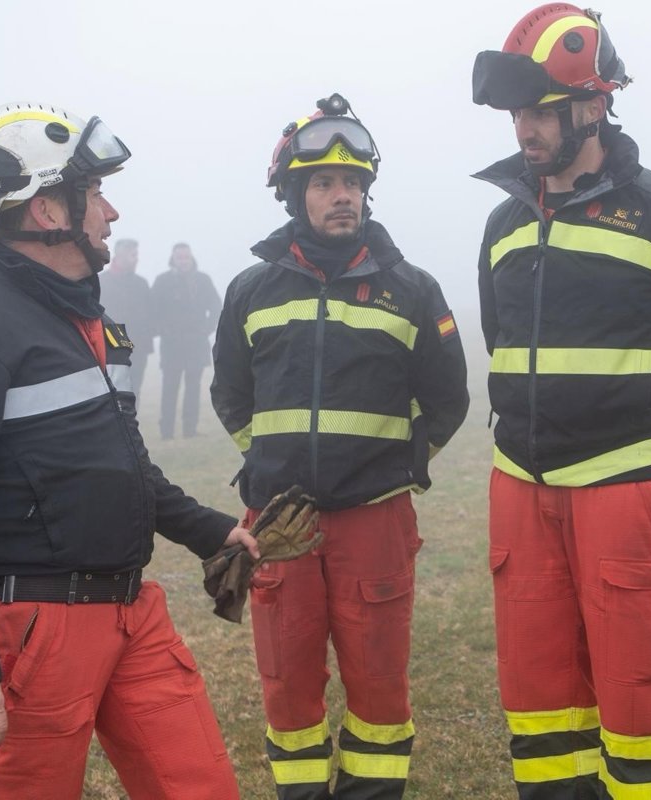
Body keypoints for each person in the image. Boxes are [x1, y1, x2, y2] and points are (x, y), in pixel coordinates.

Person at [0, 102, 261, 800]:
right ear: (46, 209)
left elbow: (125, 465)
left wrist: (210, 530)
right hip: (34, 629)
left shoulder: (93, 321)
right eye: (94, 193)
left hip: (134, 610)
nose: (111, 213)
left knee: (202, 787)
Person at [471, 6, 651, 799]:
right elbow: (500, 339)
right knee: (539, 704)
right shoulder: (502, 223)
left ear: (594, 105)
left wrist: (650, 406)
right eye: (516, 113)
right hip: (521, 485)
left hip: (629, 484)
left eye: (540, 111)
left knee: (638, 702)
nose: (523, 128)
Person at [210, 92, 469, 800]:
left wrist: (397, 467)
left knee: (379, 687)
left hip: (375, 520)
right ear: (294, 195)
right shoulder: (250, 291)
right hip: (280, 525)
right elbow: (231, 393)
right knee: (288, 686)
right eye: (324, 183)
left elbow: (447, 400)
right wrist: (266, 462)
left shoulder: (413, 291)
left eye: (353, 182)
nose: (343, 195)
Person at [153, 241, 220, 439]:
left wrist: (207, 329)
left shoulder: (203, 280)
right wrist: (163, 330)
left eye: (186, 257)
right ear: (173, 259)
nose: (183, 261)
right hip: (171, 345)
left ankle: (190, 430)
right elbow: (153, 310)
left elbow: (216, 306)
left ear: (191, 258)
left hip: (196, 344)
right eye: (179, 257)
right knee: (170, 388)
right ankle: (166, 432)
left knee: (193, 388)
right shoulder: (162, 281)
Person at [99, 238, 155, 398]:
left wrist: (148, 335)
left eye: (136, 255)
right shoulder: (102, 282)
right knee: (110, 391)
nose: (136, 259)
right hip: (109, 347)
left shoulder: (141, 283)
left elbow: (150, 313)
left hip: (138, 347)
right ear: (120, 255)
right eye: (132, 255)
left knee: (134, 390)